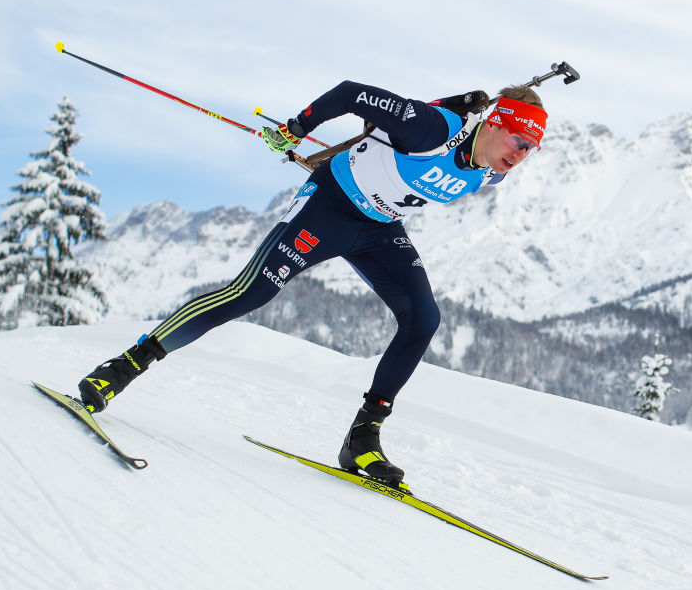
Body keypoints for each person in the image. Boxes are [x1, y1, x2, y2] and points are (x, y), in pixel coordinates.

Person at [77, 80, 547, 485]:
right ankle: (121, 368)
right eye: (519, 142)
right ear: (496, 123)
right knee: (251, 292)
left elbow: (439, 142)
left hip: (380, 229)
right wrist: (295, 129)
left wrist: (460, 102)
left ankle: (363, 437)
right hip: (330, 208)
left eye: (532, 149)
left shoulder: (491, 173)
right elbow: (350, 94)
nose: (521, 157)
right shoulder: (431, 128)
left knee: (423, 319)